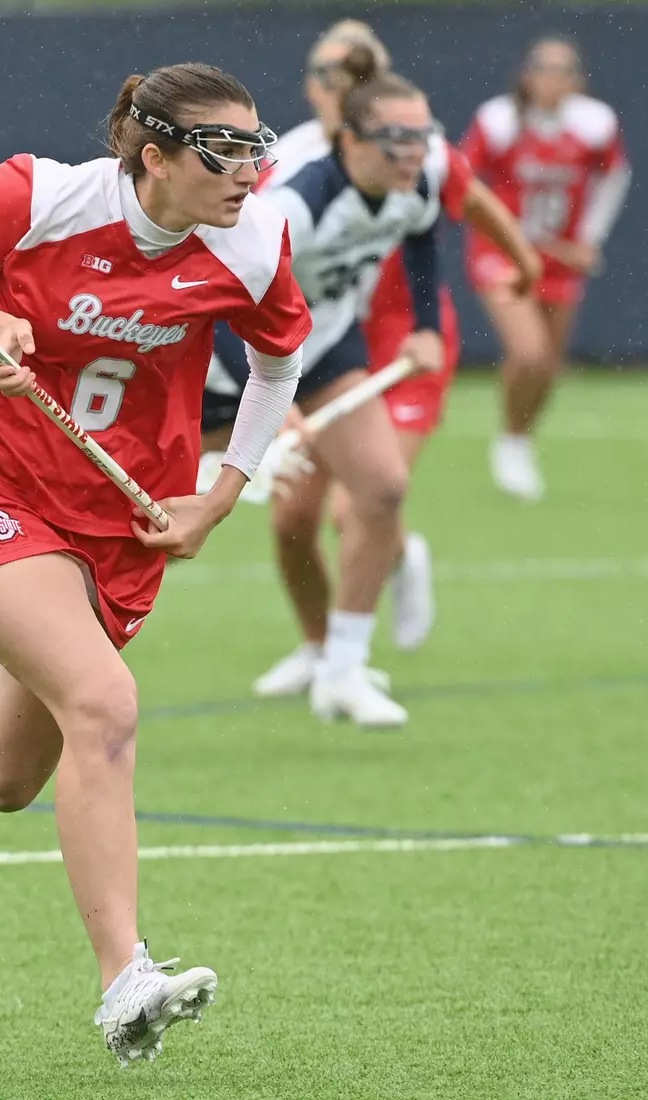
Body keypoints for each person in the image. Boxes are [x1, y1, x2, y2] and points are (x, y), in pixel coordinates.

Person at [0, 63, 311, 1064]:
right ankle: (127, 978)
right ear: (153, 156)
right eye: (223, 150)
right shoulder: (41, 196)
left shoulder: (252, 244)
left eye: (257, 145)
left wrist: (221, 492)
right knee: (105, 703)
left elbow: (277, 362)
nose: (248, 171)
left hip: (118, 518)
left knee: (1, 775)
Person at [204, 41, 539, 720]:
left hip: (321, 344)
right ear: (351, 137)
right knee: (221, 518)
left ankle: (342, 671)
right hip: (229, 355)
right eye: (397, 138)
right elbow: (216, 305)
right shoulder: (292, 204)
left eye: (423, 135)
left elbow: (419, 230)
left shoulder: (418, 172)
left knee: (381, 488)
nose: (417, 152)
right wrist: (262, 402)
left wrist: (422, 320)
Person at [462, 36, 631, 502]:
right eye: (543, 68)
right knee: (530, 352)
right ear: (527, 74)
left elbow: (615, 175)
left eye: (564, 70)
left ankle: (519, 437)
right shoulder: (498, 121)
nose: (553, 79)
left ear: (578, 79)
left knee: (549, 367)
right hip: (505, 254)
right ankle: (510, 442)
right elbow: (464, 180)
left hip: (560, 259)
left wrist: (588, 239)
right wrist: (505, 234)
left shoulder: (594, 123)